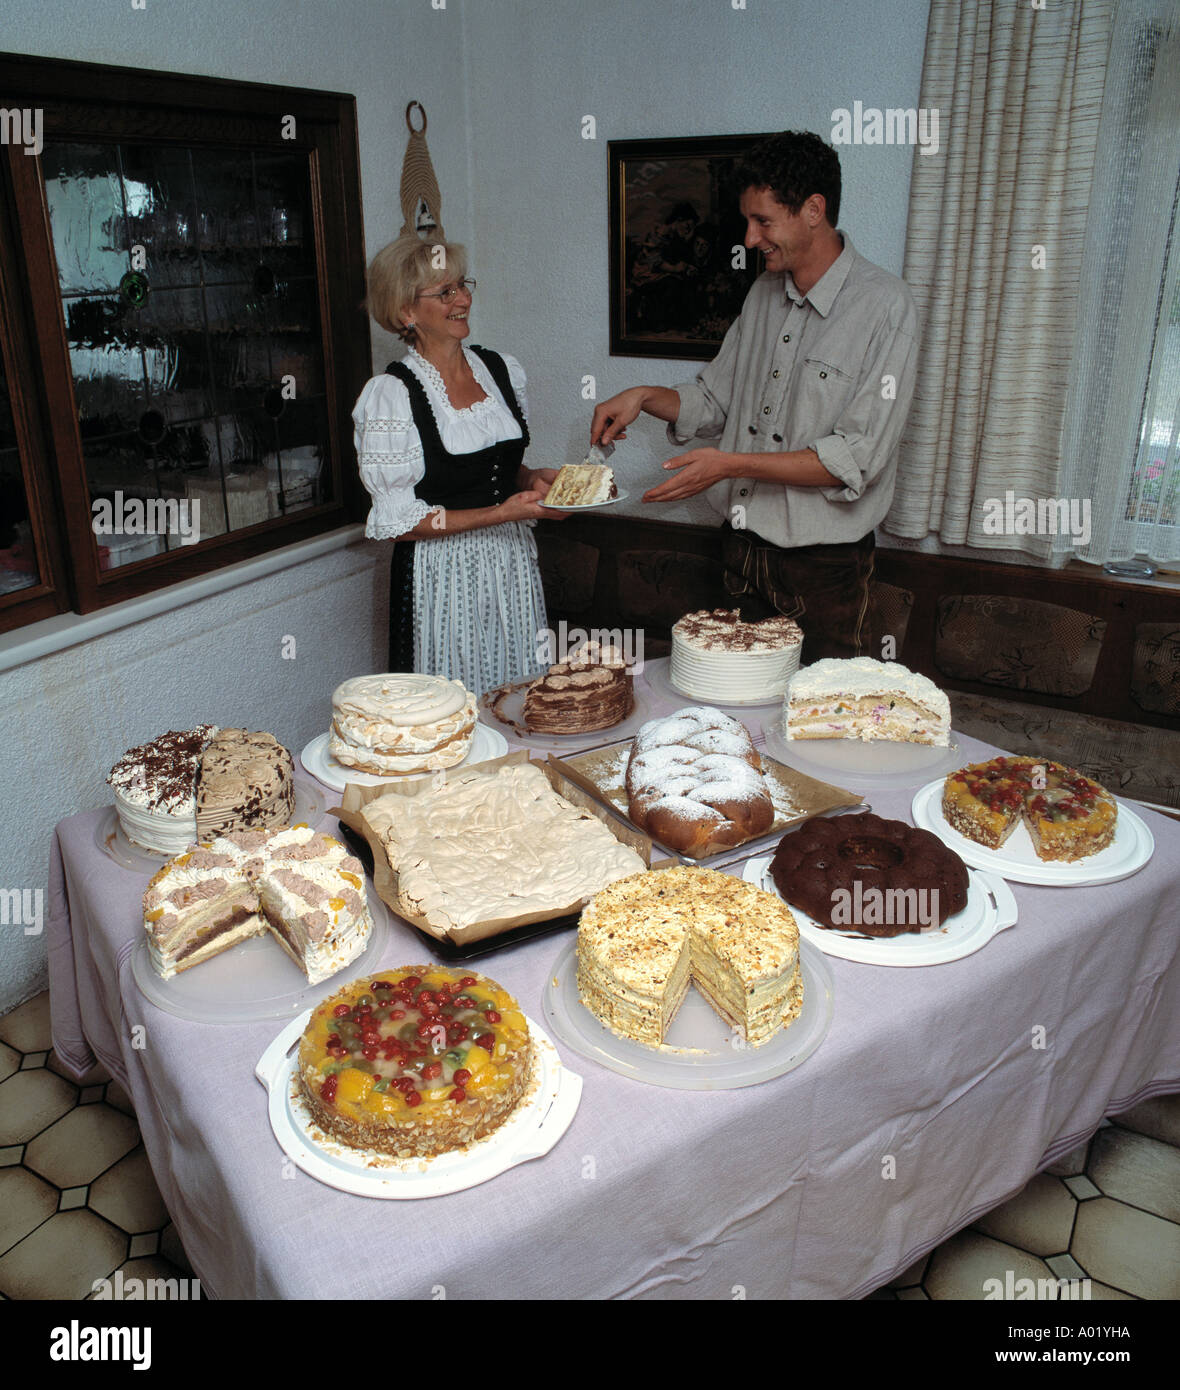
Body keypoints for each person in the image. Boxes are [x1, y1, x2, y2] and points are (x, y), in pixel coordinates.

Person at [591, 131, 919, 662]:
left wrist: (728, 464)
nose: (748, 238)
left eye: (763, 221)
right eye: (748, 220)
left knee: (816, 725)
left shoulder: (887, 306)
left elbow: (854, 459)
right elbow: (714, 399)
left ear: (813, 210)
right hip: (739, 550)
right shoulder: (764, 292)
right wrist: (645, 396)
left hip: (825, 570)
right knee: (735, 712)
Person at [353, 236, 561, 695]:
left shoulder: (500, 369)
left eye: (462, 286)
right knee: (453, 710)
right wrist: (501, 513)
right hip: (442, 576)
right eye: (444, 292)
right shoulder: (391, 394)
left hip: (510, 565)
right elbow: (400, 523)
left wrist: (531, 479)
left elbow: (499, 469)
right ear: (407, 312)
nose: (463, 299)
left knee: (518, 697)